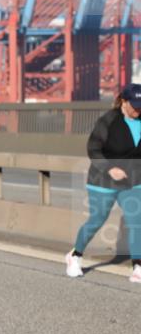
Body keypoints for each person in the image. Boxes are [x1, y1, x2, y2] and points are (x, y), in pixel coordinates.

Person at [66, 84, 141, 283]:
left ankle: (138, 267)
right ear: (123, 102)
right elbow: (93, 149)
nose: (138, 109)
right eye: (134, 105)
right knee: (97, 220)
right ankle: (75, 256)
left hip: (133, 181)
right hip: (103, 180)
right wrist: (110, 168)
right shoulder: (108, 120)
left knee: (137, 222)